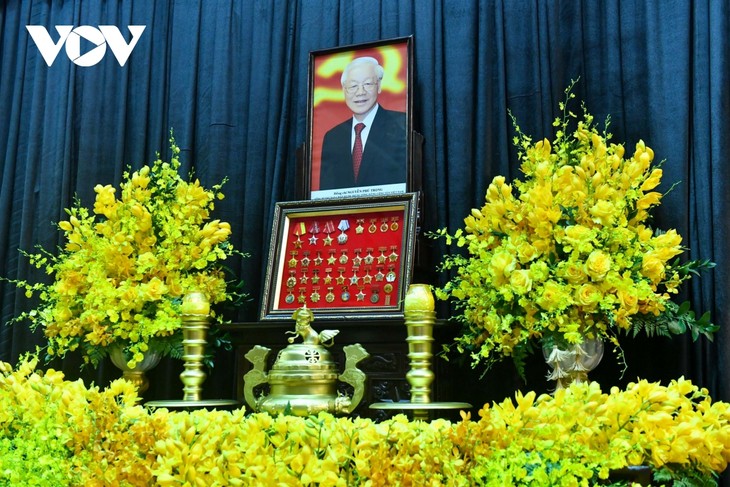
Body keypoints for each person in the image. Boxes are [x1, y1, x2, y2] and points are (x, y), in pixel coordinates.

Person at [318, 56, 407, 191]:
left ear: (379, 86)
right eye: (353, 86)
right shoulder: (333, 137)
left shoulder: (402, 125)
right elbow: (326, 193)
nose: (360, 92)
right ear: (344, 91)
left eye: (367, 84)